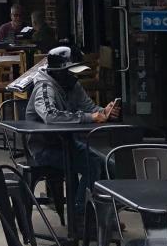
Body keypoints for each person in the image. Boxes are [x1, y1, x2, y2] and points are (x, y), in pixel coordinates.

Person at [24, 45, 121, 214]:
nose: (73, 75)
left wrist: (104, 112)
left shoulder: (72, 84)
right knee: (92, 165)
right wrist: (90, 117)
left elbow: (90, 108)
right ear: (59, 72)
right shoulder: (45, 87)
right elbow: (50, 115)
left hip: (69, 143)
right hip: (45, 149)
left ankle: (101, 214)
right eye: (70, 71)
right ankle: (82, 214)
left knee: (111, 166)